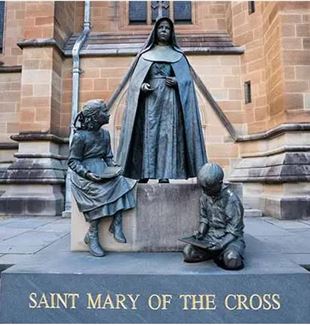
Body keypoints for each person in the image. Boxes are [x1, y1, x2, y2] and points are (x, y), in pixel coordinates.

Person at [117, 17, 207, 183]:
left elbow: (187, 82)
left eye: (167, 28)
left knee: (168, 136)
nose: (164, 30)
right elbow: (135, 82)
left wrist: (178, 81)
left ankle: (165, 174)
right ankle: (143, 173)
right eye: (161, 28)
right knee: (147, 136)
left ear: (172, 32)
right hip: (149, 102)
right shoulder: (145, 55)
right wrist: (141, 86)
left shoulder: (179, 56)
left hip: (170, 102)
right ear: (155, 31)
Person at [68, 99, 136, 257]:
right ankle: (92, 234)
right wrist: (88, 174)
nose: (108, 114)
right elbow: (73, 161)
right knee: (98, 192)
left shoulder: (105, 134)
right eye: (104, 112)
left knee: (124, 181)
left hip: (102, 170)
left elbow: (108, 157)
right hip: (85, 174)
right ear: (94, 117)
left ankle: (117, 223)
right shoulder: (80, 137)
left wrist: (115, 168)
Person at [182, 163, 245, 270]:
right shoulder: (205, 196)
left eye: (208, 188)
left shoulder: (232, 200)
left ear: (219, 184)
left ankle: (222, 254)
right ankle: (216, 255)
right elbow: (204, 218)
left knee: (232, 260)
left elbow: (234, 232)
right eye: (203, 188)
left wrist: (221, 245)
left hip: (229, 240)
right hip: (210, 238)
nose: (205, 191)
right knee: (188, 252)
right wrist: (201, 232)